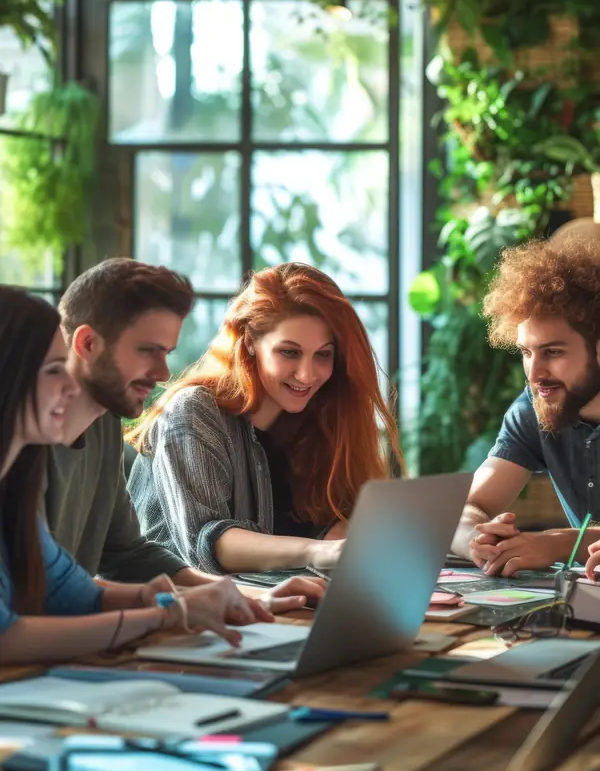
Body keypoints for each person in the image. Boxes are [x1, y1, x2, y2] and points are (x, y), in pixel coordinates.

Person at [0, 286, 281, 666]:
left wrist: (169, 600)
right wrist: (166, 615)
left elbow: (79, 595)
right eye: (54, 370)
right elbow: (8, 637)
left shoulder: (15, 496)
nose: (70, 385)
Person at [47, 259, 323, 611]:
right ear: (87, 343)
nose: (163, 374)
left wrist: (253, 597)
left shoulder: (102, 424)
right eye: (148, 351)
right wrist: (169, 615)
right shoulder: (24, 438)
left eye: (167, 353)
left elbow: (130, 556)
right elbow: (42, 596)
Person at [128, 262, 405, 575]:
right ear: (249, 341)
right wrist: (322, 552)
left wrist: (355, 540)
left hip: (276, 608)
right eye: (289, 352)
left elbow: (334, 524)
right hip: (176, 611)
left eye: (323, 354)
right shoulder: (192, 412)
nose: (307, 374)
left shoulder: (319, 415)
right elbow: (206, 542)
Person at [452, 237, 600, 576]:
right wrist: (476, 538)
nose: (534, 374)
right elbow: (470, 505)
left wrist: (554, 544)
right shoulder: (534, 409)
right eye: (526, 352)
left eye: (553, 352)